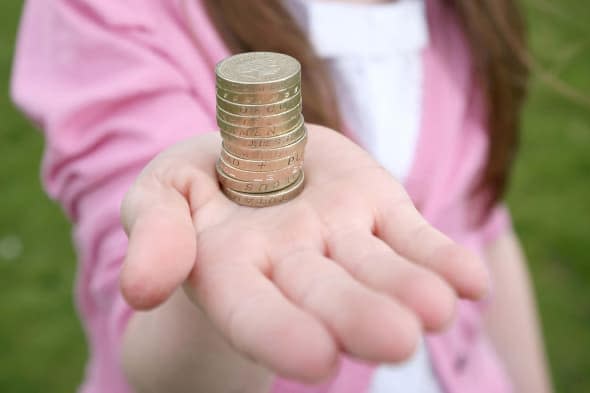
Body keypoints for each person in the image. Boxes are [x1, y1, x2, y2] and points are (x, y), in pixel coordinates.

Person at [11, 0, 553, 392]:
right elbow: (157, 348)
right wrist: (204, 272)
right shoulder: (102, 11)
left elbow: (479, 225)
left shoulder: (464, 15)